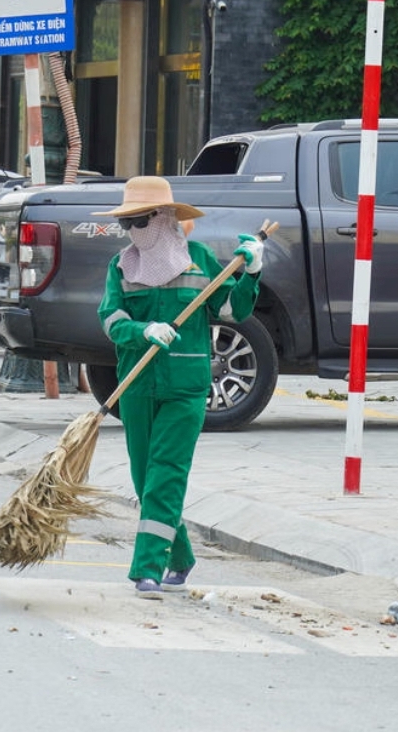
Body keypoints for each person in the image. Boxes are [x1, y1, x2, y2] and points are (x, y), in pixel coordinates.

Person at [94, 176, 264, 599]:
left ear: (165, 217)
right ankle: (181, 557)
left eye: (139, 219)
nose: (132, 229)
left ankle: (146, 569)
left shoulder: (201, 260)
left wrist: (252, 272)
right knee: (143, 478)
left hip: (185, 386)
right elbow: (109, 318)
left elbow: (232, 310)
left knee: (166, 474)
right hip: (136, 382)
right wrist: (141, 329)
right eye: (126, 222)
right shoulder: (122, 265)